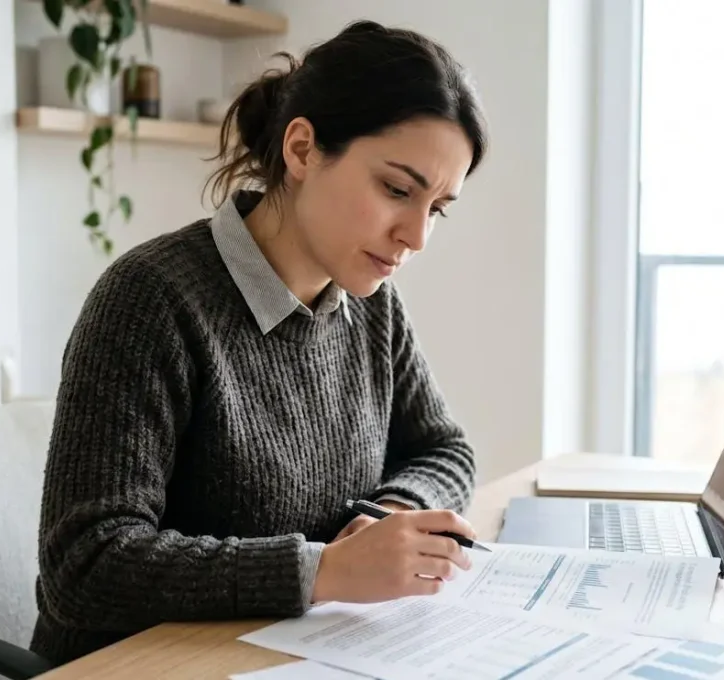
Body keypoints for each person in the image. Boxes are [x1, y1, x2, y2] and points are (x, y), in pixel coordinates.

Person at [29, 19, 490, 666]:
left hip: (293, 655)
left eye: (436, 208)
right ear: (302, 150)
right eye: (396, 190)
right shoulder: (151, 300)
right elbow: (85, 565)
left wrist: (391, 515)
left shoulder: (371, 304)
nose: (415, 236)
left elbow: (445, 449)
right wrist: (323, 570)